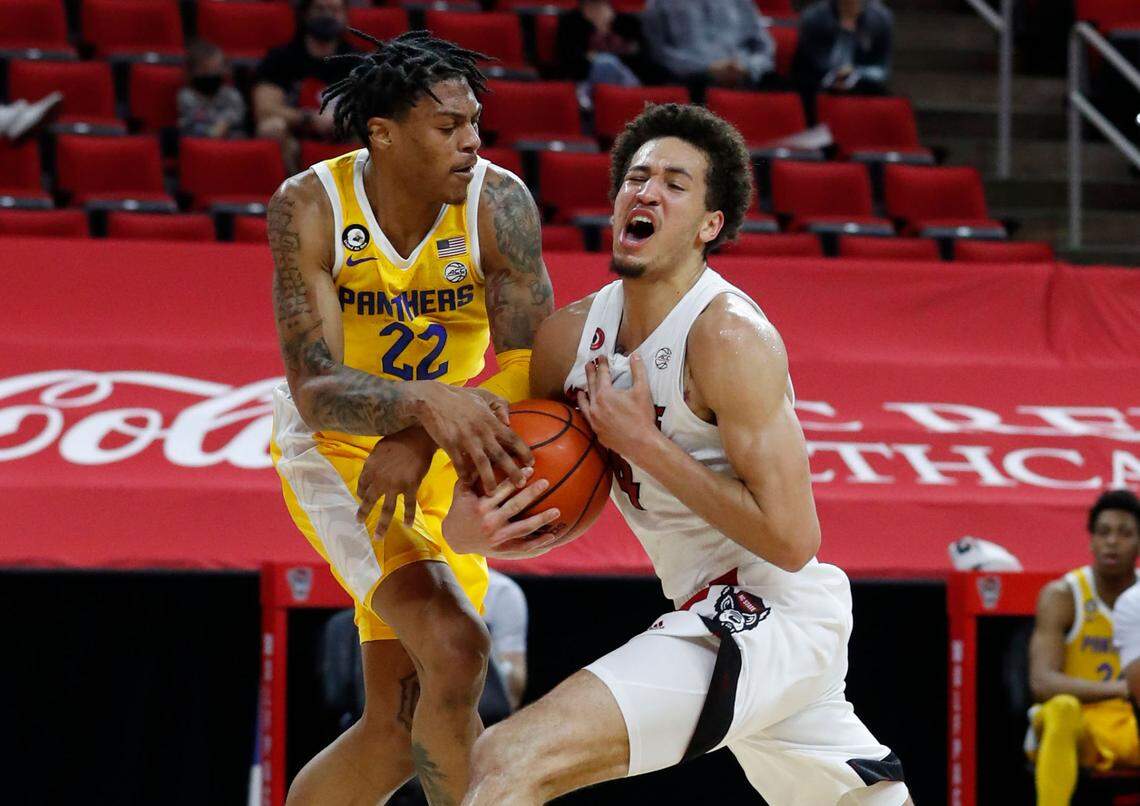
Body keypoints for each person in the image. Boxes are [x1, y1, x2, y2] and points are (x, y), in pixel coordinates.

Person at [444, 103, 910, 805]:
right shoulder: (569, 341)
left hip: (770, 610)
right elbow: (519, 498)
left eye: (675, 183)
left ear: (708, 226)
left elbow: (792, 539)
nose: (647, 191)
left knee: (508, 760)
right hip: (710, 605)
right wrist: (473, 531)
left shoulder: (728, 338)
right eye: (637, 177)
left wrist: (646, 446)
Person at [266, 29, 556, 806]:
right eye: (448, 127)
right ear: (382, 135)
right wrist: (427, 405)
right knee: (459, 648)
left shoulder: (500, 203)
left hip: (442, 447)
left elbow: (532, 368)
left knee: (398, 731)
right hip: (338, 452)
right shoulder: (310, 206)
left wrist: (422, 429)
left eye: (474, 124)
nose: (472, 141)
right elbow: (317, 385)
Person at [1027, 488, 1140, 806]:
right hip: (1078, 727)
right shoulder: (1063, 594)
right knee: (1062, 708)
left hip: (1130, 724)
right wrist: (1122, 688)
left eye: (1125, 533)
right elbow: (1042, 683)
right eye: (1104, 532)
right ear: (1091, 540)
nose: (1113, 541)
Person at [252, 0, 356, 171]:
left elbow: (372, 108)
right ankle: (291, 191)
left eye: (335, 10)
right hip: (296, 138)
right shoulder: (280, 58)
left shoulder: (359, 61)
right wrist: (308, 118)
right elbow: (265, 109)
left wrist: (339, 119)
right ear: (305, 13)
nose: (328, 15)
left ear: (345, 16)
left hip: (344, 134)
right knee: (271, 127)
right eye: (320, 8)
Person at [641, 0, 776, 96]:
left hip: (745, 75)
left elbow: (764, 46)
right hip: (692, 82)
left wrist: (747, 67)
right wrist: (707, 68)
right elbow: (659, 53)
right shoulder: (658, 3)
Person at [793, 0, 893, 98]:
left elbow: (881, 69)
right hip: (817, 84)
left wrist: (855, 74)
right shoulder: (815, 18)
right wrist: (833, 76)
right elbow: (807, 64)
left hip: (862, 85)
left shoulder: (880, 19)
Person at [555, 0, 646, 106]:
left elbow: (641, 59)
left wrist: (621, 48)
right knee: (605, 63)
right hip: (585, 84)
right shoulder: (570, 22)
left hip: (625, 82)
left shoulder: (626, 20)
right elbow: (568, 62)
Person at [178, 40, 246, 139]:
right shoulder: (186, 96)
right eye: (205, 70)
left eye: (216, 69)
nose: (211, 75)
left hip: (230, 140)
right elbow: (192, 120)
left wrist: (224, 124)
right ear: (192, 72)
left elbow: (237, 116)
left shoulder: (231, 94)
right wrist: (214, 128)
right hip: (198, 141)